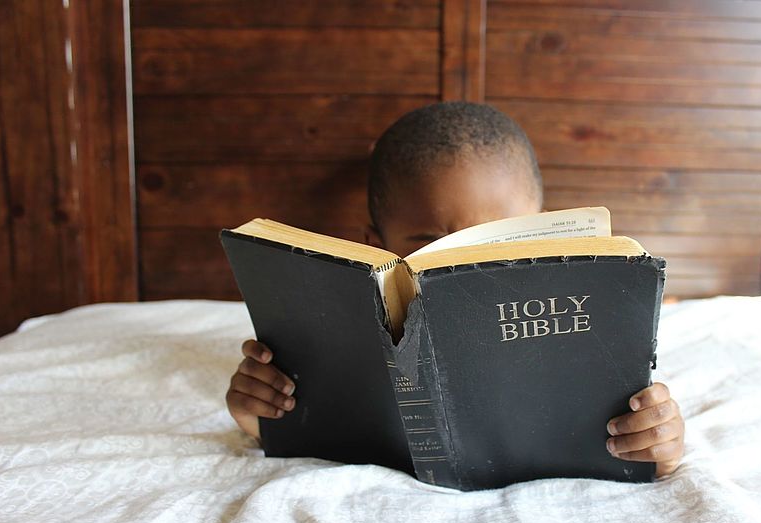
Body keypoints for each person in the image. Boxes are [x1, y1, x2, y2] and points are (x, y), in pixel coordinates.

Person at [226, 102, 685, 478]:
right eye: (432, 245)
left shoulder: (586, 324)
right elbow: (304, 423)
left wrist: (656, 443)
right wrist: (263, 415)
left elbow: (643, 439)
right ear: (375, 246)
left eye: (502, 239)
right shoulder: (341, 333)